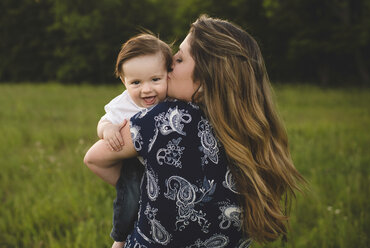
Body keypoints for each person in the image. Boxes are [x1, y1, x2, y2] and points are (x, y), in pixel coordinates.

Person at [85, 14, 305, 247]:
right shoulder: (253, 129)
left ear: (205, 75)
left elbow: (95, 158)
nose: (169, 65)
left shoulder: (168, 118)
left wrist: (143, 189)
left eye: (179, 59)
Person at [84, 33, 172, 248]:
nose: (147, 89)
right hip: (138, 164)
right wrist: (108, 129)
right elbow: (104, 121)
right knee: (130, 196)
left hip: (166, 164)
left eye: (155, 79)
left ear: (169, 74)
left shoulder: (173, 97)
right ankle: (120, 238)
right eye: (135, 82)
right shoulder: (123, 104)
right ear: (124, 82)